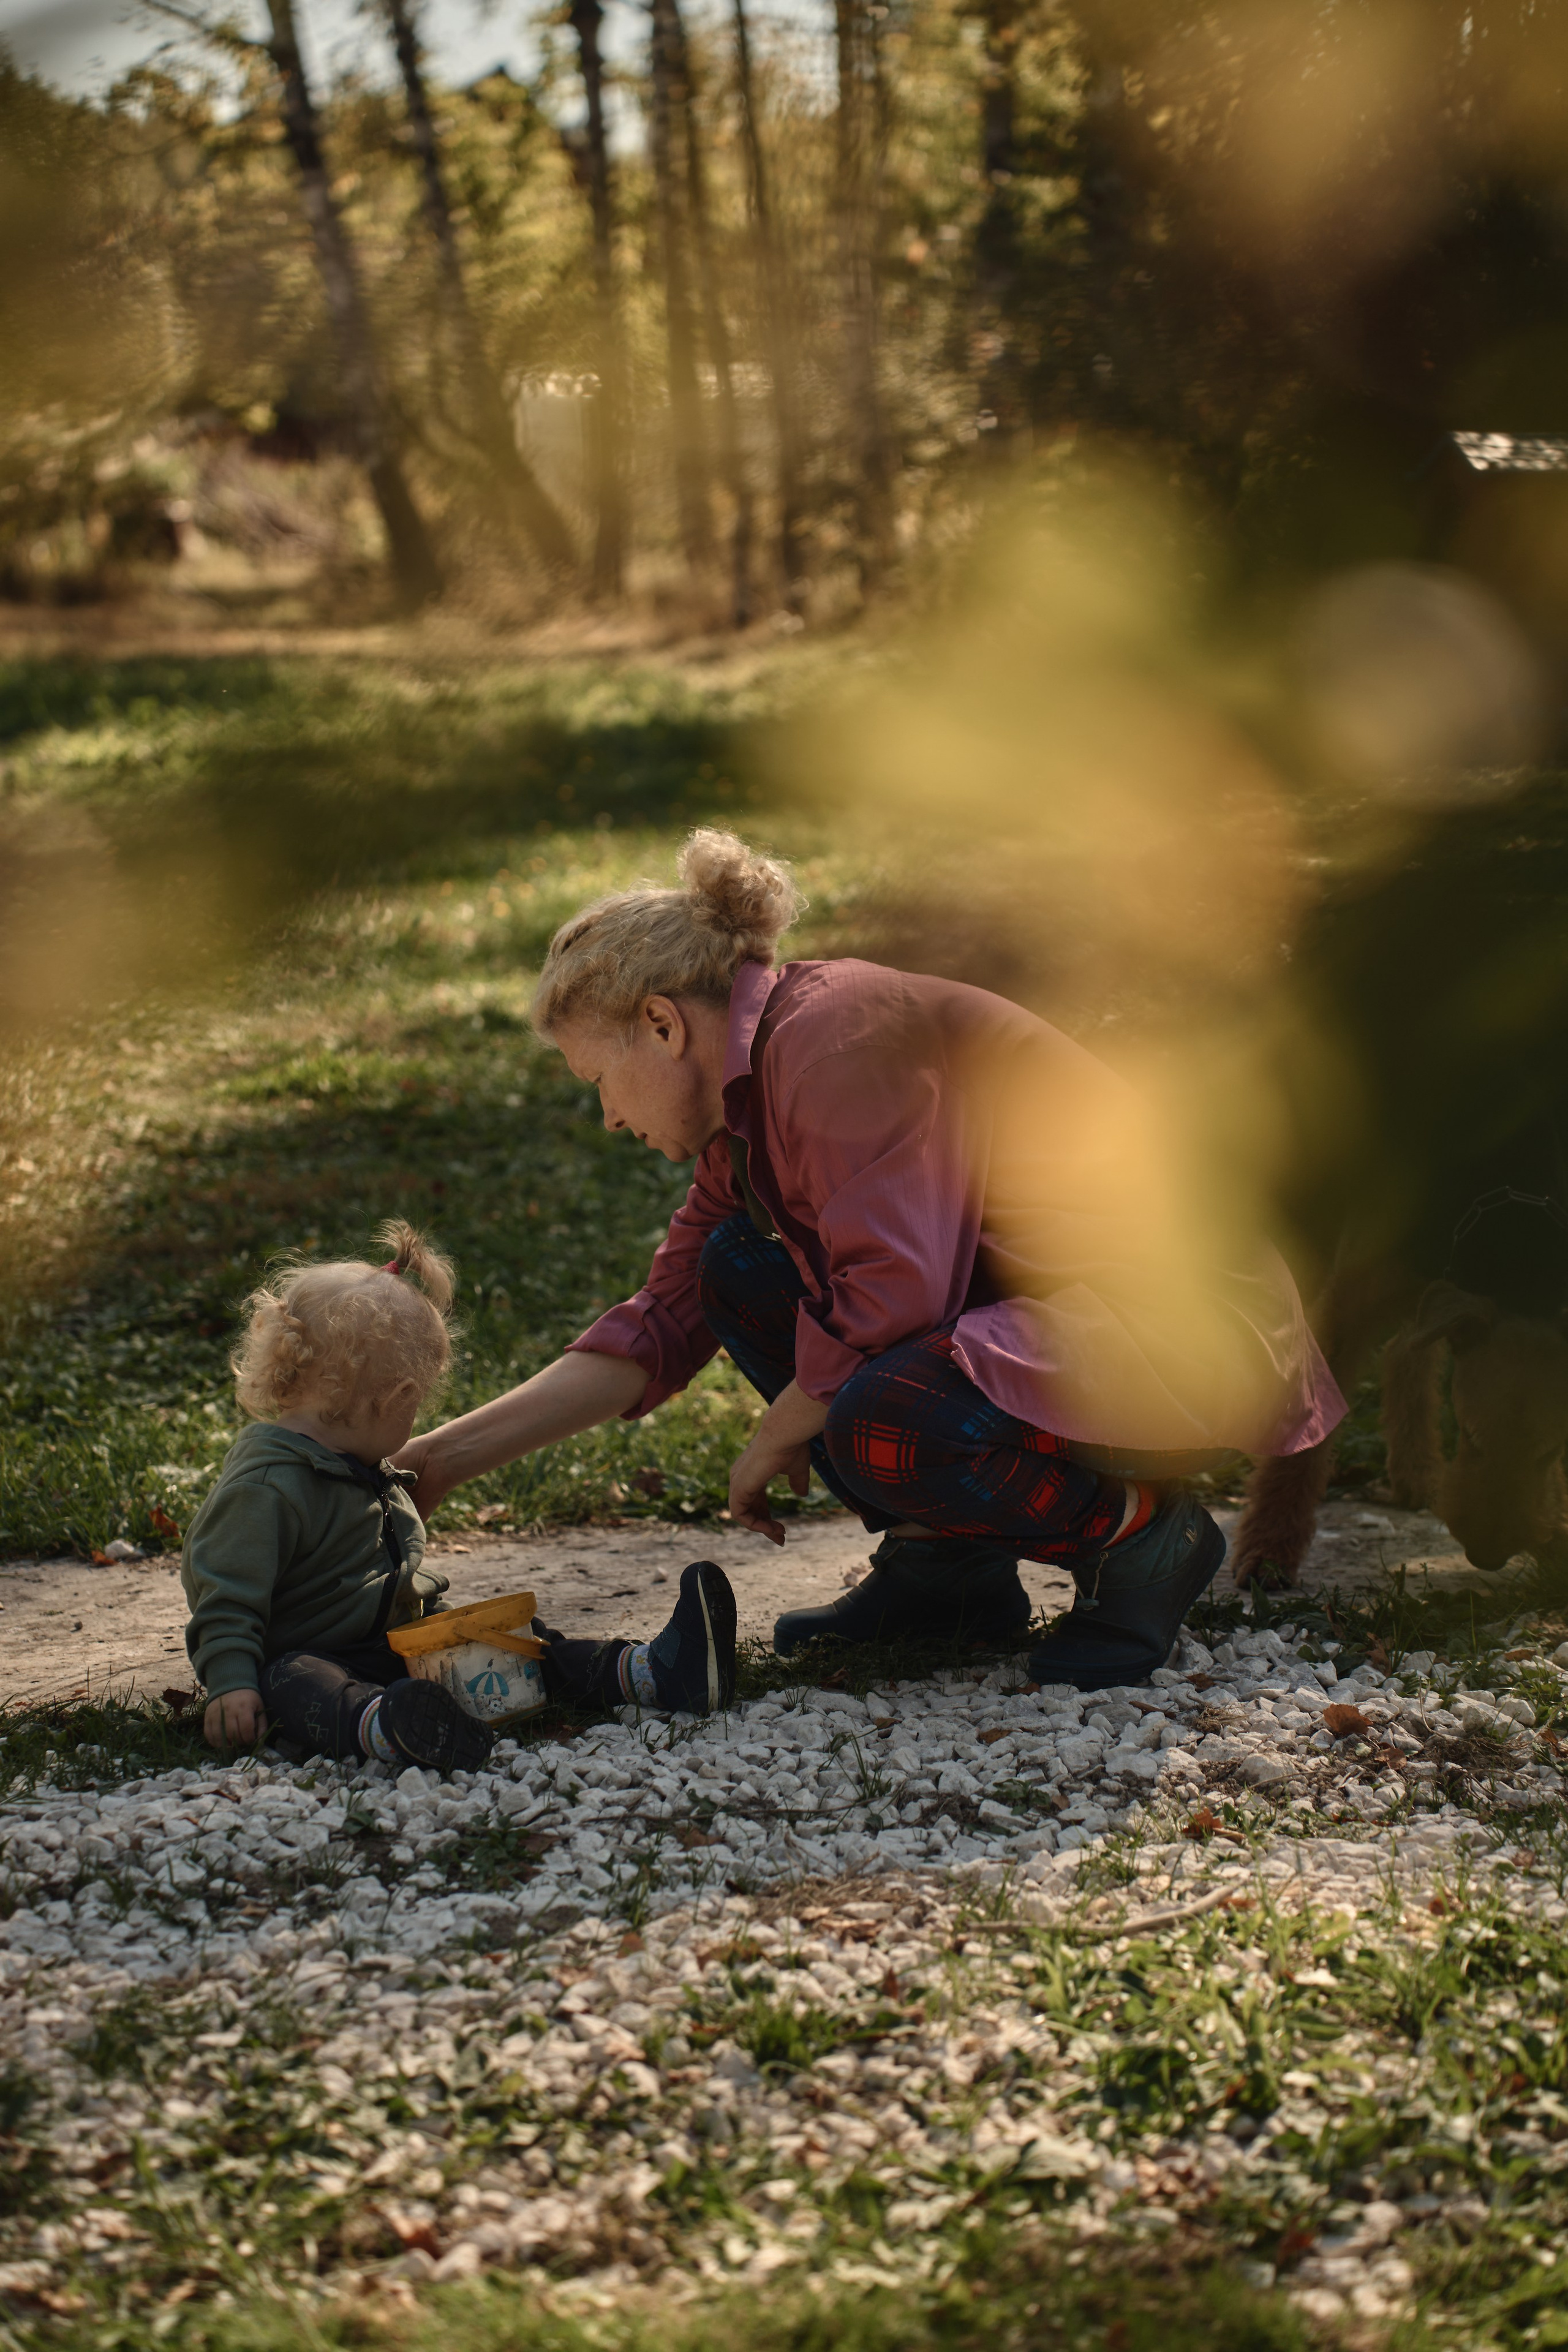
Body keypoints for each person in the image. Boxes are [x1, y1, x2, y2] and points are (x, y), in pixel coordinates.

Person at [398, 832, 1345, 1691]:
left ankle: (1144, 1539)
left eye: (597, 1080)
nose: (607, 1116)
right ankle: (948, 1574)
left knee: (883, 1415)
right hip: (1065, 1328)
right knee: (737, 1268)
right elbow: (661, 1322)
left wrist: (779, 1433)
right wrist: (441, 1460)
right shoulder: (746, 1112)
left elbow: (896, 1293)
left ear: (661, 1025)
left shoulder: (830, 1042)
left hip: (1179, 1332)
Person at [183, 1220, 739, 1769]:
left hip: (396, 1648)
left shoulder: (361, 1467)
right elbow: (224, 1596)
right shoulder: (266, 1486)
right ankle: (387, 1728)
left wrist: (453, 1626)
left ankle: (651, 1672)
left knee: (518, 1641)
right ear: (394, 1399)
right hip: (310, 1660)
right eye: (416, 1404)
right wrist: (232, 1684)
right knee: (295, 1680)